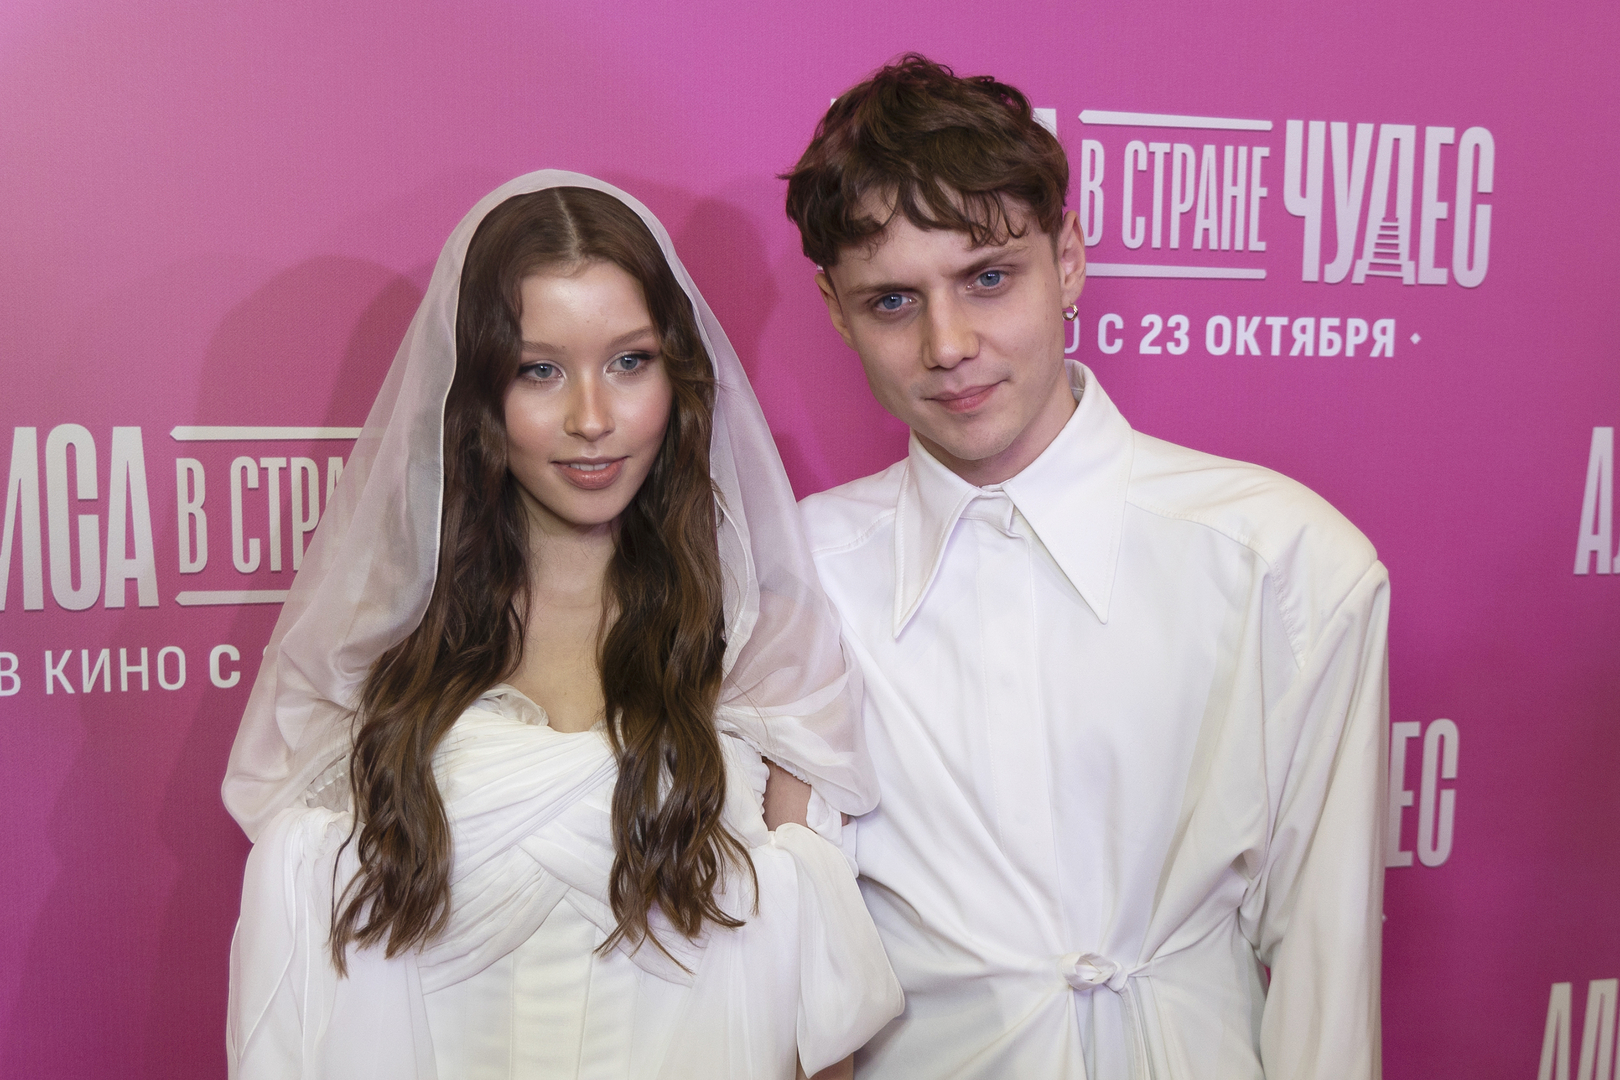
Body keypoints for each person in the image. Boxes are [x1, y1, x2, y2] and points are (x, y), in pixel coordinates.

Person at [783, 56, 1388, 1080]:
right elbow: (787, 964)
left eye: (987, 278)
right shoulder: (799, 579)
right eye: (891, 301)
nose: (948, 344)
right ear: (837, 311)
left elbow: (1328, 971)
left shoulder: (1285, 561)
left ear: (1066, 260)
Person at [222, 171, 902, 1080]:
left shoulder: (756, 641)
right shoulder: (374, 645)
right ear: (477, 393)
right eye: (539, 370)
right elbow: (305, 992)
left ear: (678, 373)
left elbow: (819, 1014)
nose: (592, 419)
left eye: (630, 362)